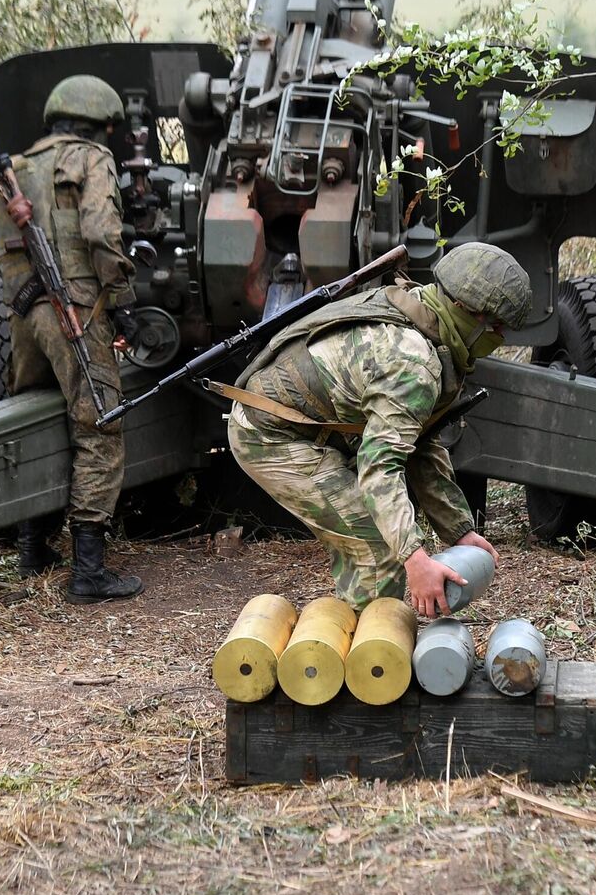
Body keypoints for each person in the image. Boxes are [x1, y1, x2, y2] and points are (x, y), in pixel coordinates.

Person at [225, 243, 533, 617]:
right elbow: (379, 466)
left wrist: (458, 531)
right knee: (377, 548)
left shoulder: (425, 316)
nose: (499, 338)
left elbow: (421, 443)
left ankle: (363, 642)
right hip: (269, 434)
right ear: (466, 311)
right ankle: (367, 661)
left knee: (387, 539)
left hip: (299, 426)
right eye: (496, 326)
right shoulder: (413, 363)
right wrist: (414, 559)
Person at [0, 74, 145, 604]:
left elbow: (7, 251)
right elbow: (102, 233)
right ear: (99, 123)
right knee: (100, 422)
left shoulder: (18, 168)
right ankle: (89, 571)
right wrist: (121, 304)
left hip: (26, 310)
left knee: (32, 416)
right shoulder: (89, 159)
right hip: (74, 308)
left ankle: (33, 546)